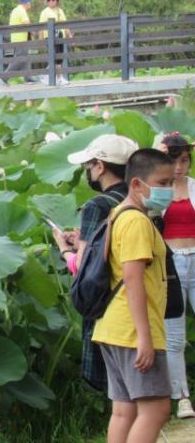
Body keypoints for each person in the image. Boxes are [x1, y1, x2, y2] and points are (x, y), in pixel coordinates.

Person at [92, 149, 174, 443]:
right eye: (162, 183)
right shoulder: (138, 221)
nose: (168, 190)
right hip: (132, 330)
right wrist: (145, 337)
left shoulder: (119, 215)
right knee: (156, 410)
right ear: (137, 184)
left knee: (124, 411)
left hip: (112, 327)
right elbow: (132, 278)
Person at [53, 134, 138, 392]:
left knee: (122, 396)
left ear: (100, 166)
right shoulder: (139, 199)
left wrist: (65, 251)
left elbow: (85, 268)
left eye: (89, 166)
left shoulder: (97, 206)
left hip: (110, 309)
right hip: (143, 302)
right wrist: (84, 240)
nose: (88, 172)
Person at [155, 132, 195, 419]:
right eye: (173, 160)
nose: (179, 167)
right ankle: (181, 397)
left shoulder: (194, 187)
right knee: (174, 337)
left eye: (184, 160)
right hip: (171, 264)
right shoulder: (158, 191)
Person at [37, 0, 72, 86]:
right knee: (56, 58)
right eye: (49, 0)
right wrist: (40, 40)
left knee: (58, 58)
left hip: (60, 37)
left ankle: (45, 75)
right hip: (50, 37)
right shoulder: (45, 12)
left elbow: (65, 24)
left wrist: (69, 35)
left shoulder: (60, 11)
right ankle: (60, 78)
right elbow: (40, 26)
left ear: (57, 0)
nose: (51, 1)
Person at [5, 0, 37, 84]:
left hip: (16, 38)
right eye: (30, 3)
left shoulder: (15, 10)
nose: (30, 5)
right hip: (20, 39)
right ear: (27, 3)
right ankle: (5, 76)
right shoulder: (21, 10)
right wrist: (33, 32)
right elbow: (26, 23)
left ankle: (28, 77)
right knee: (19, 58)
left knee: (24, 58)